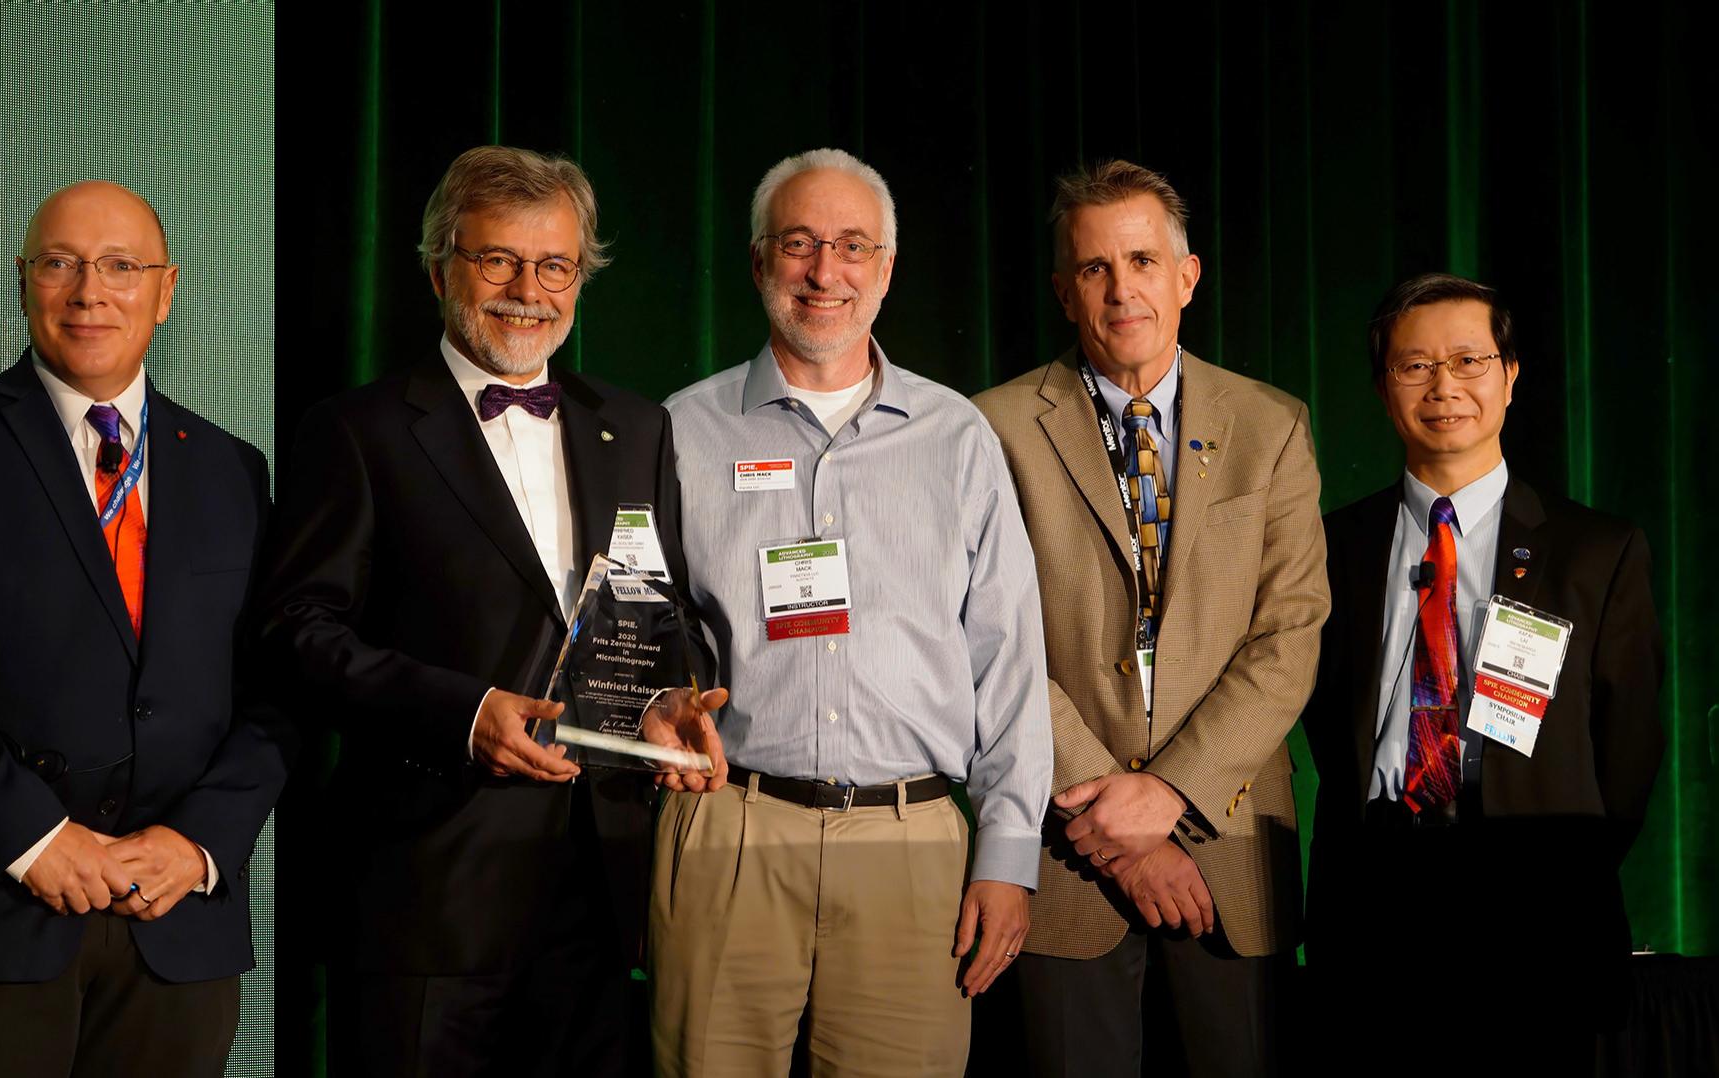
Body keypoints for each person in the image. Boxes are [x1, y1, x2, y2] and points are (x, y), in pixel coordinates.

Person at [256, 145, 724, 1077]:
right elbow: (294, 634)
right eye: (497, 260)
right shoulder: (358, 430)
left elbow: (653, 611)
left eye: (555, 266)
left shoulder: (635, 427)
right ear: (440, 267)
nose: (528, 290)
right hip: (427, 897)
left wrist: (674, 700)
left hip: (601, 895)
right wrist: (462, 714)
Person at [0, 180, 286, 1075]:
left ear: (166, 289)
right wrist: (33, 839)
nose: (90, 291)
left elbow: (278, 686)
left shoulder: (235, 469)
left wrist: (199, 842)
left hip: (177, 929)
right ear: (23, 280)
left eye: (121, 266)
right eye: (60, 263)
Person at [652, 147, 1053, 1077]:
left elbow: (1011, 658)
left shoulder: (957, 437)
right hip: (730, 830)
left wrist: (1007, 852)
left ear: (886, 269)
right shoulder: (680, 430)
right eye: (797, 245)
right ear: (759, 264)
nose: (823, 273)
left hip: (910, 845)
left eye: (851, 247)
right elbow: (640, 628)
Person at [973, 159, 1328, 1078]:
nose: (1121, 288)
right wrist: (1119, 829)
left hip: (1230, 845)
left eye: (1141, 260)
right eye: (1094, 268)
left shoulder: (1272, 423)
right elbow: (987, 638)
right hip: (1065, 850)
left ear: (1187, 276)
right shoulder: (993, 429)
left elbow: (1289, 635)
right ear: (1062, 290)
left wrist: (1170, 793)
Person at [1302, 273, 1662, 1074]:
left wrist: (1559, 868)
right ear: (1383, 386)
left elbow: (1629, 751)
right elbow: (1321, 719)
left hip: (1535, 908)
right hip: (1376, 898)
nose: (1445, 388)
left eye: (1469, 360)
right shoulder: (1328, 547)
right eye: (1415, 366)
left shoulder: (1595, 551)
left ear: (1510, 375)